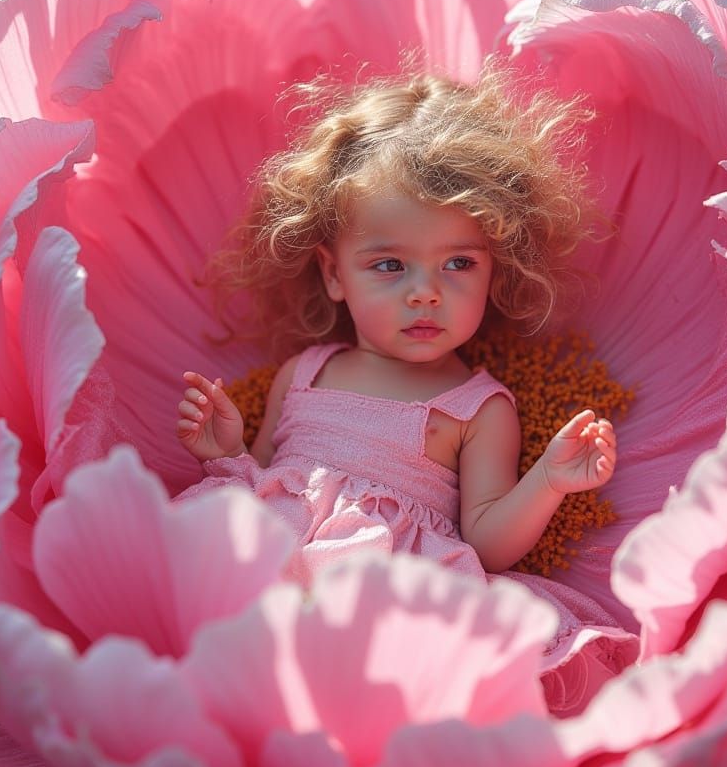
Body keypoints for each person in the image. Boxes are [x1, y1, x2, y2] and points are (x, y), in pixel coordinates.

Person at [176, 64, 638, 714]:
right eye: (389, 265)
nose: (425, 291)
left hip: (390, 593)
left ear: (494, 270)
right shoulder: (306, 370)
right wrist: (225, 454)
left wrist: (549, 482)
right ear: (334, 275)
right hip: (268, 566)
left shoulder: (479, 406)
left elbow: (485, 540)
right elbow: (266, 483)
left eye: (458, 263)